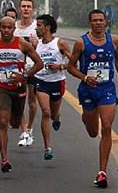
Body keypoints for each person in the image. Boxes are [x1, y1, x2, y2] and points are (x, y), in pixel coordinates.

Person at [67, 9, 118, 188]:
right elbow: (71, 67)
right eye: (94, 20)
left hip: (106, 89)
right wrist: (85, 77)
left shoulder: (114, 40)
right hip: (88, 90)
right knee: (93, 132)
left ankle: (102, 172)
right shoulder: (81, 43)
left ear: (106, 22)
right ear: (90, 23)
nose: (98, 23)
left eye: (101, 20)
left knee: (107, 127)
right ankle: (87, 117)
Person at [0, 16, 43, 172]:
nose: (6, 30)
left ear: (14, 29)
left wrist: (25, 75)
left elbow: (39, 63)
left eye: (10, 27)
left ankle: (15, 124)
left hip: (19, 89)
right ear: (0, 28)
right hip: (2, 88)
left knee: (15, 123)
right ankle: (4, 159)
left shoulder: (22, 44)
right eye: (3, 27)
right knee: (3, 121)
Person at [33, 14, 71, 160]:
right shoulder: (37, 44)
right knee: (46, 112)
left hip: (57, 82)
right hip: (41, 81)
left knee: (53, 114)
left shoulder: (59, 43)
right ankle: (47, 148)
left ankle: (57, 117)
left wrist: (60, 66)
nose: (37, 29)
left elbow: (74, 62)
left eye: (39, 26)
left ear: (47, 27)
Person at [14, 0, 38, 147]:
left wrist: (36, 44)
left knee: (31, 101)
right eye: (23, 6)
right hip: (17, 68)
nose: (26, 9)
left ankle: (30, 127)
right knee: (19, 100)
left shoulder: (37, 27)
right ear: (19, 9)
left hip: (33, 68)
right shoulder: (13, 27)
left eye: (29, 6)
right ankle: (24, 131)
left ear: (33, 9)